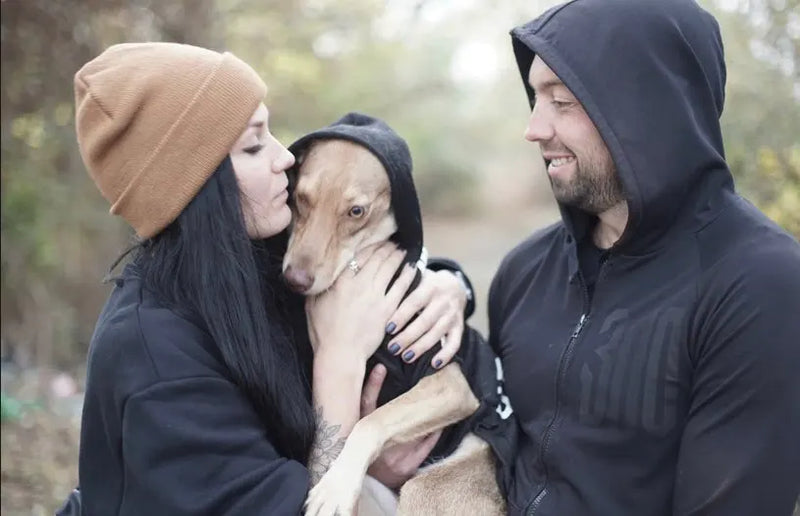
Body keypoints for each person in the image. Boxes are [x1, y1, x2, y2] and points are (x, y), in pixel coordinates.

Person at [62, 42, 471, 515]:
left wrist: (446, 286)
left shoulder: (268, 260)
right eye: (255, 145)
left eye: (271, 132)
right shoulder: (154, 358)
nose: (287, 159)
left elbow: (368, 254)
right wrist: (339, 368)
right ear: (196, 185)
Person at [488, 1, 800, 515]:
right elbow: (480, 434)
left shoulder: (758, 283)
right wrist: (444, 280)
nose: (534, 128)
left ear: (647, 108)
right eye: (535, 98)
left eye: (562, 101)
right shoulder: (524, 271)